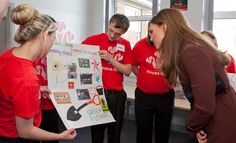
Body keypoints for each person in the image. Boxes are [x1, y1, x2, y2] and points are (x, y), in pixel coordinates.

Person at [149, 8, 236, 143]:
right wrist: (200, 124)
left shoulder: (191, 51)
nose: (150, 37)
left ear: (165, 28)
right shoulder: (189, 47)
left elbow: (205, 106)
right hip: (215, 114)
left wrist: (191, 125)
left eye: (152, 31)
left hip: (222, 118)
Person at [0, 3, 76, 143]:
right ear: (45, 36)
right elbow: (26, 131)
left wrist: (38, 90)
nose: (52, 45)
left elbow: (9, 90)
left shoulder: (6, 56)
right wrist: (60, 136)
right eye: (53, 40)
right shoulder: (27, 78)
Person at [82, 13, 132, 143]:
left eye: (117, 34)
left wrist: (111, 59)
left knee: (114, 133)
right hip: (98, 95)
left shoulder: (126, 45)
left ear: (124, 32)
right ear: (109, 23)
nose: (112, 35)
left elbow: (127, 71)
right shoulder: (93, 40)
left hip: (117, 96)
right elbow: (76, 56)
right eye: (111, 30)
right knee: (97, 132)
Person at [132, 23, 174, 143]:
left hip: (165, 97)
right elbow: (134, 66)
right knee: (143, 131)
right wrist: (144, 77)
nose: (151, 36)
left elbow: (177, 69)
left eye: (154, 32)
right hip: (143, 96)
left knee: (163, 131)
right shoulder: (140, 45)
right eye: (149, 32)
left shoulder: (171, 47)